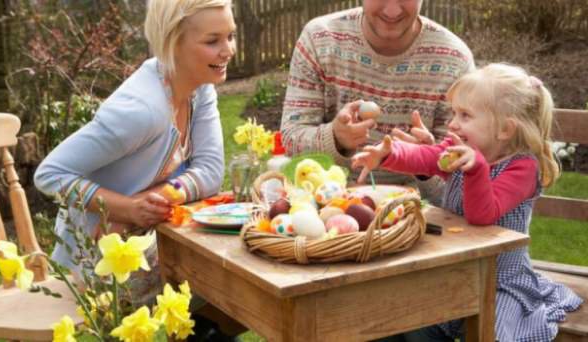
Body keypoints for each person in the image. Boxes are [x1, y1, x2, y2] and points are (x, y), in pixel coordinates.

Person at [34, 0, 235, 327]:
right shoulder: (140, 111)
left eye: (231, 36)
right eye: (213, 41)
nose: (228, 50)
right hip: (98, 259)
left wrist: (154, 198)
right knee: (220, 286)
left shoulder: (199, 88)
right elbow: (50, 174)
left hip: (145, 236)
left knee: (223, 280)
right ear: (173, 43)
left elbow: (211, 172)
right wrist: (125, 210)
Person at [352, 63, 583, 342]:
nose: (452, 123)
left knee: (495, 334)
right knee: (405, 321)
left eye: (465, 115)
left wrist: (476, 170)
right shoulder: (461, 152)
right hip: (453, 270)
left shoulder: (522, 168)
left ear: (504, 130)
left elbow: (483, 215)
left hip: (498, 281)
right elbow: (425, 156)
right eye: (454, 113)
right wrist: (387, 154)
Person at [280, 0, 474, 202]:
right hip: (324, 203)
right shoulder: (319, 39)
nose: (392, 10)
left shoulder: (455, 61)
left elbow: (458, 190)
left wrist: (425, 162)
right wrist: (336, 138)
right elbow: (291, 138)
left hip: (413, 213)